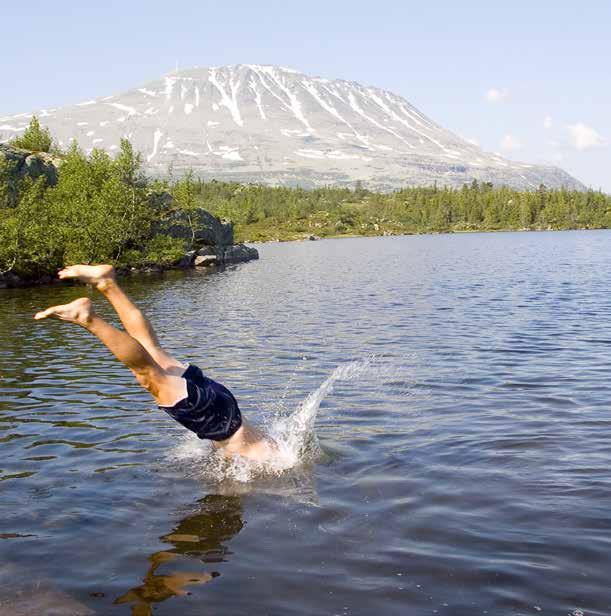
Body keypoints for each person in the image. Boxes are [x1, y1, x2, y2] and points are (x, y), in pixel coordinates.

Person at [33, 264, 275, 462]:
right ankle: (87, 318)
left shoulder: (275, 449)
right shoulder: (276, 462)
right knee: (146, 373)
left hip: (223, 405)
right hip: (219, 420)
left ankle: (106, 283)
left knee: (149, 348)